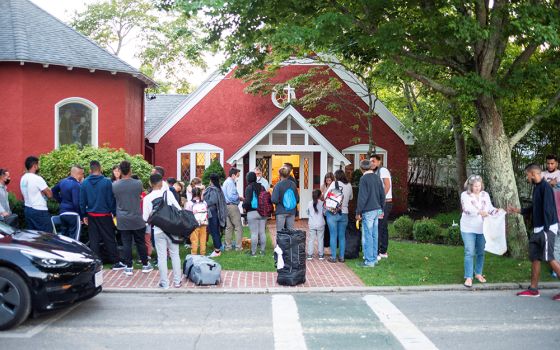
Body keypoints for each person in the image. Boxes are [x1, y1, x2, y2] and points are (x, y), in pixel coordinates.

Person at [508, 164, 560, 300]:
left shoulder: (546, 187)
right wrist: (518, 211)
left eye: (527, 175)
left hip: (546, 229)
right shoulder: (537, 187)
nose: (526, 177)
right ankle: (533, 290)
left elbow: (548, 209)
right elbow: (535, 206)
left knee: (549, 259)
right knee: (535, 258)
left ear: (532, 173)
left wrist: (546, 230)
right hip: (539, 229)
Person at [80, 161, 125, 270]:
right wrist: (114, 213)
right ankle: (115, 262)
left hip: (91, 215)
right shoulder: (107, 182)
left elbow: (82, 201)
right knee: (109, 238)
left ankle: (96, 263)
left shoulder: (85, 183)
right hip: (104, 214)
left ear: (90, 170)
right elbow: (111, 199)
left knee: (94, 239)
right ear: (100, 169)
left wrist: (84, 215)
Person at [113, 161, 153, 276]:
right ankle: (145, 265)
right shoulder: (138, 183)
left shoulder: (115, 185)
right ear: (130, 170)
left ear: (120, 171)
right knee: (140, 242)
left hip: (122, 218)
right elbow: (139, 196)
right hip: (136, 217)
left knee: (126, 243)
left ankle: (128, 267)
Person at [143, 173, 182, 289]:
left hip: (158, 230)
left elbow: (145, 218)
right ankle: (177, 281)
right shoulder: (168, 194)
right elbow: (179, 209)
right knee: (175, 255)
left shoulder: (147, 198)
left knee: (161, 257)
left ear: (150, 183)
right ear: (161, 183)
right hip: (172, 229)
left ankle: (164, 283)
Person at [460, 175, 500, 287]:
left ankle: (478, 273)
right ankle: (468, 277)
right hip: (468, 228)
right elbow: (467, 209)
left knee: (481, 252)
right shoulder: (465, 195)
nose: (477, 188)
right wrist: (479, 212)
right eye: (474, 186)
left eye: (479, 185)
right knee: (469, 252)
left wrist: (496, 211)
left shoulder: (485, 195)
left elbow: (490, 208)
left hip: (482, 228)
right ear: (470, 186)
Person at [355, 160, 385, 267]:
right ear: (371, 167)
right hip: (377, 209)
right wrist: (382, 209)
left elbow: (362, 197)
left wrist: (358, 212)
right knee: (374, 235)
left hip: (368, 210)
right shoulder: (377, 177)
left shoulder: (363, 179)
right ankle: (374, 259)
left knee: (368, 236)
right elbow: (382, 194)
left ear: (361, 168)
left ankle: (369, 261)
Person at [325, 169, 353, 263]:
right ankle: (341, 257)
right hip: (344, 212)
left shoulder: (334, 184)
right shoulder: (349, 185)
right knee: (342, 236)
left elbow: (326, 196)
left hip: (333, 212)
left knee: (333, 235)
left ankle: (333, 257)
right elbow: (351, 197)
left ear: (336, 176)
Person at [20, 156, 53, 232]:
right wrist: (46, 191)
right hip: (39, 210)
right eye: (38, 165)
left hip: (28, 209)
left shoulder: (23, 178)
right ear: (35, 166)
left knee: (33, 237)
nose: (39, 167)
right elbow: (50, 194)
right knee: (47, 236)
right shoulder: (37, 178)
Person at [52, 165, 84, 238]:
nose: (83, 176)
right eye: (82, 174)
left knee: (64, 238)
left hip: (63, 214)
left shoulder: (63, 182)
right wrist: (81, 217)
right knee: (74, 239)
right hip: (73, 215)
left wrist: (61, 201)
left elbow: (53, 191)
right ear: (79, 174)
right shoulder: (76, 185)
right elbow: (76, 203)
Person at [371, 154, 393, 260]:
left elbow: (387, 185)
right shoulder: (375, 172)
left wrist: (381, 199)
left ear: (379, 162)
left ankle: (376, 252)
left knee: (379, 226)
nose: (372, 163)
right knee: (383, 227)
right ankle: (383, 251)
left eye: (374, 161)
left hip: (384, 204)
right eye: (371, 161)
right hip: (382, 203)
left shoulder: (383, 171)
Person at [243, 171, 267, 256]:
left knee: (254, 233)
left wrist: (244, 206)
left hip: (252, 212)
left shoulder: (249, 187)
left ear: (248, 179)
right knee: (262, 232)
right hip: (262, 212)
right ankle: (263, 252)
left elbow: (247, 201)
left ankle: (253, 252)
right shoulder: (262, 187)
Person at [203, 174, 227, 257]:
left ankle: (217, 251)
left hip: (212, 212)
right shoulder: (218, 189)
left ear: (211, 180)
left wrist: (204, 201)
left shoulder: (213, 190)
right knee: (214, 230)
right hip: (215, 212)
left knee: (214, 231)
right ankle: (218, 247)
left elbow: (212, 201)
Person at [272, 166, 299, 232]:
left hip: (281, 211)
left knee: (280, 231)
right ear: (288, 175)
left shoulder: (278, 185)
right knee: (291, 231)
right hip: (291, 211)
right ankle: (289, 242)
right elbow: (297, 199)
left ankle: (281, 243)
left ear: (279, 174)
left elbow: (274, 199)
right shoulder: (293, 184)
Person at [223, 167, 244, 251]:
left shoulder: (225, 182)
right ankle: (238, 247)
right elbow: (231, 196)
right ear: (233, 175)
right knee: (238, 227)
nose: (237, 178)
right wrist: (239, 198)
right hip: (232, 206)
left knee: (229, 227)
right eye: (237, 176)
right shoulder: (231, 183)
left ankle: (228, 247)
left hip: (226, 206)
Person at [185, 187, 209, 255]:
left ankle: (194, 254)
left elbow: (187, 214)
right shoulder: (204, 202)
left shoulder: (189, 203)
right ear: (200, 193)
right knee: (203, 239)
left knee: (194, 240)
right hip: (203, 223)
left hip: (194, 224)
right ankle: (202, 253)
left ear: (192, 193)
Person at [307, 189, 325, 260]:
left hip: (312, 223)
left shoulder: (309, 203)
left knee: (311, 239)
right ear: (320, 195)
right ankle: (321, 255)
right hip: (320, 223)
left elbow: (307, 212)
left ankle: (310, 255)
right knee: (320, 239)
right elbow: (324, 212)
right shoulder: (322, 203)